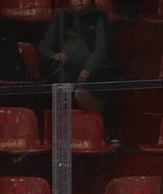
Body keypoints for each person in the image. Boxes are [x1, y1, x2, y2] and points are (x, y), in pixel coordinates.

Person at [37, 0, 116, 142]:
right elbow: (44, 46)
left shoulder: (99, 17)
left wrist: (87, 70)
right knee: (61, 79)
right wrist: (55, 55)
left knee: (103, 77)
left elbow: (101, 50)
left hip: (93, 71)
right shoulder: (63, 17)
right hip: (67, 69)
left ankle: (102, 126)